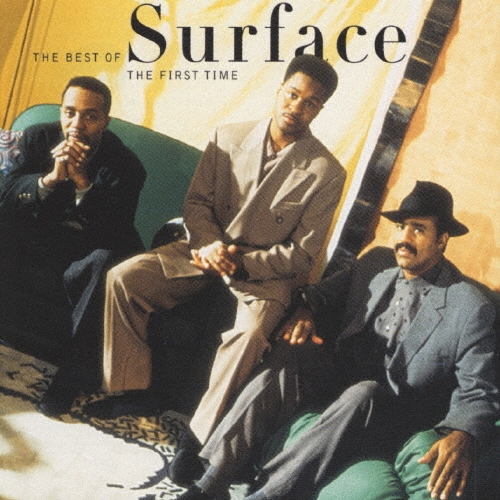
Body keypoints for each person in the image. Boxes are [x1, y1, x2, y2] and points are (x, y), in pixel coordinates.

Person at [170, 181, 499, 500]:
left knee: (364, 392)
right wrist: (305, 311)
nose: (404, 238)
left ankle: (268, 493)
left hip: (391, 409)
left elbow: (480, 389)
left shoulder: (470, 306)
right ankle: (214, 480)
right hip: (339, 376)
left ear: (442, 240)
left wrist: (464, 433)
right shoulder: (376, 262)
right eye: (401, 227)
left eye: (418, 229)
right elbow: (319, 294)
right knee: (290, 356)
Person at [83, 55, 346, 443]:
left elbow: (303, 254)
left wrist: (242, 264)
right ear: (279, 91)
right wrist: (210, 245)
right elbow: (197, 204)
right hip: (204, 250)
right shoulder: (228, 136)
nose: (296, 107)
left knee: (251, 335)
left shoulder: (327, 172)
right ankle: (132, 392)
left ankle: (197, 439)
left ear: (320, 110)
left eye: (310, 103)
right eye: (292, 95)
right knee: (125, 279)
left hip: (264, 275)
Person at [0, 76, 146, 416]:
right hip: (38, 240)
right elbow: (7, 197)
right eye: (70, 113)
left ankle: (67, 382)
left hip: (88, 250)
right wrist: (49, 179)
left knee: (107, 262)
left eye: (90, 116)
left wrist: (82, 181)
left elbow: (114, 230)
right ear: (61, 113)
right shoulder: (38, 138)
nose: (76, 125)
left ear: (105, 121)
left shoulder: (127, 166)